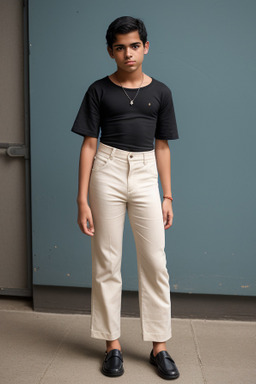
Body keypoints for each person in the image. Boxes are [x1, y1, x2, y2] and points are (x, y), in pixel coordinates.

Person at [71, 16, 180, 380]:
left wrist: (167, 194)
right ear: (110, 51)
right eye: (120, 47)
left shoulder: (161, 92)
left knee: (155, 261)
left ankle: (159, 346)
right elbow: (89, 144)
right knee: (107, 260)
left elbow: (161, 146)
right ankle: (112, 346)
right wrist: (82, 199)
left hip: (147, 172)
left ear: (145, 47)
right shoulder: (98, 90)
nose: (128, 53)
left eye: (134, 46)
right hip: (108, 168)